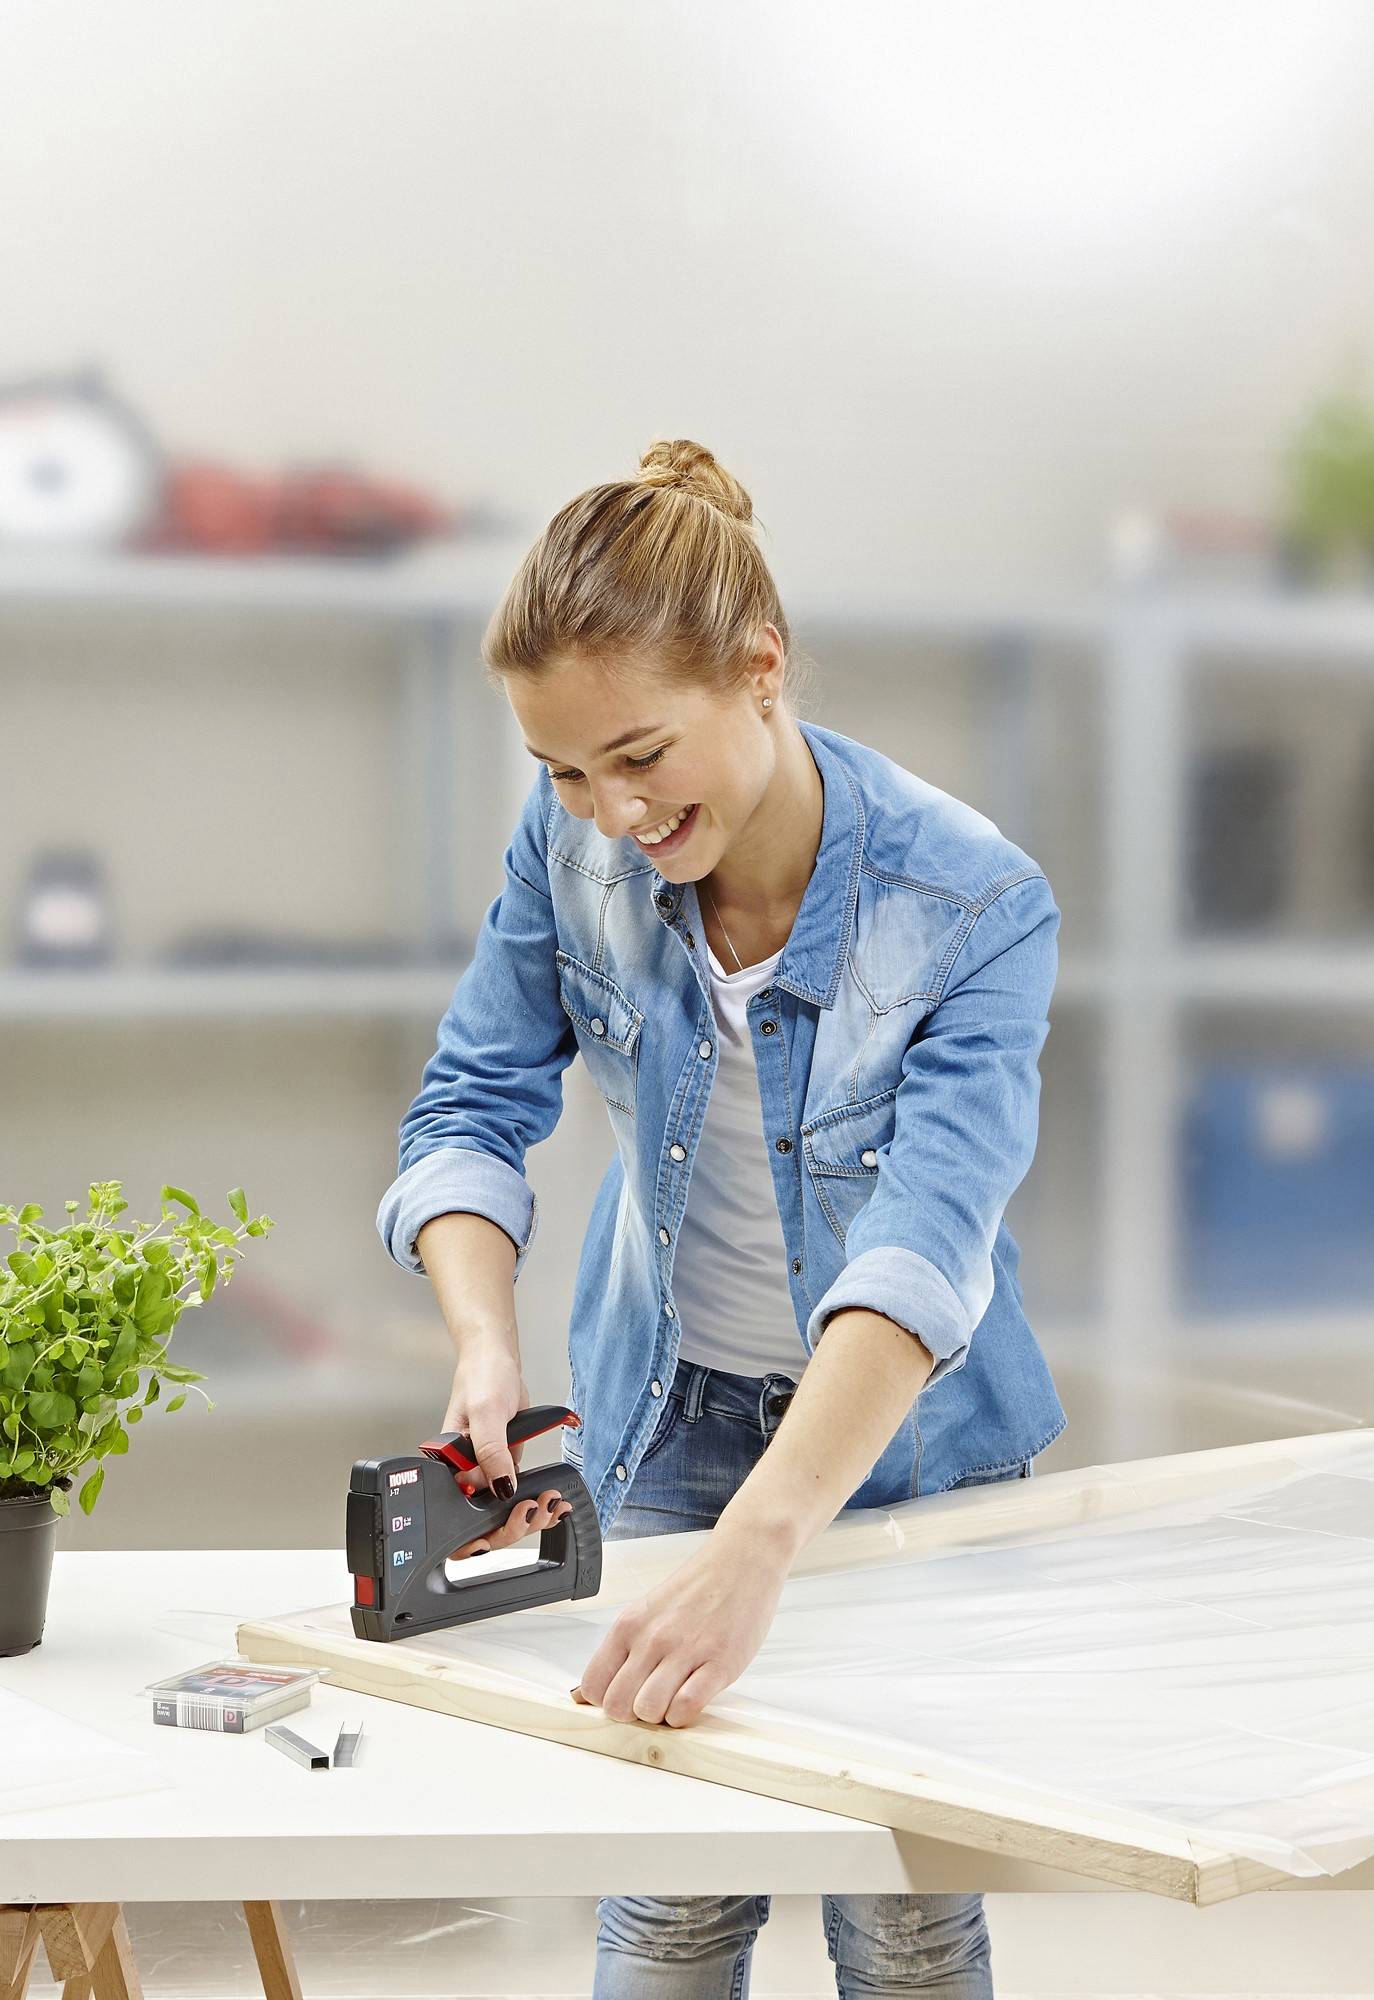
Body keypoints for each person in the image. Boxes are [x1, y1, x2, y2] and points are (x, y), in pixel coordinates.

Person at [375, 439, 1065, 1999]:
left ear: (762, 673)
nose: (607, 813)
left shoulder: (972, 902)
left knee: (897, 1904)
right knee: (671, 1892)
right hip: (667, 1418)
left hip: (910, 1448)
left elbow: (927, 1244)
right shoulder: (570, 852)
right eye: (561, 772)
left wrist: (764, 1545)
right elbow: (470, 1108)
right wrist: (485, 1347)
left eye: (636, 756)